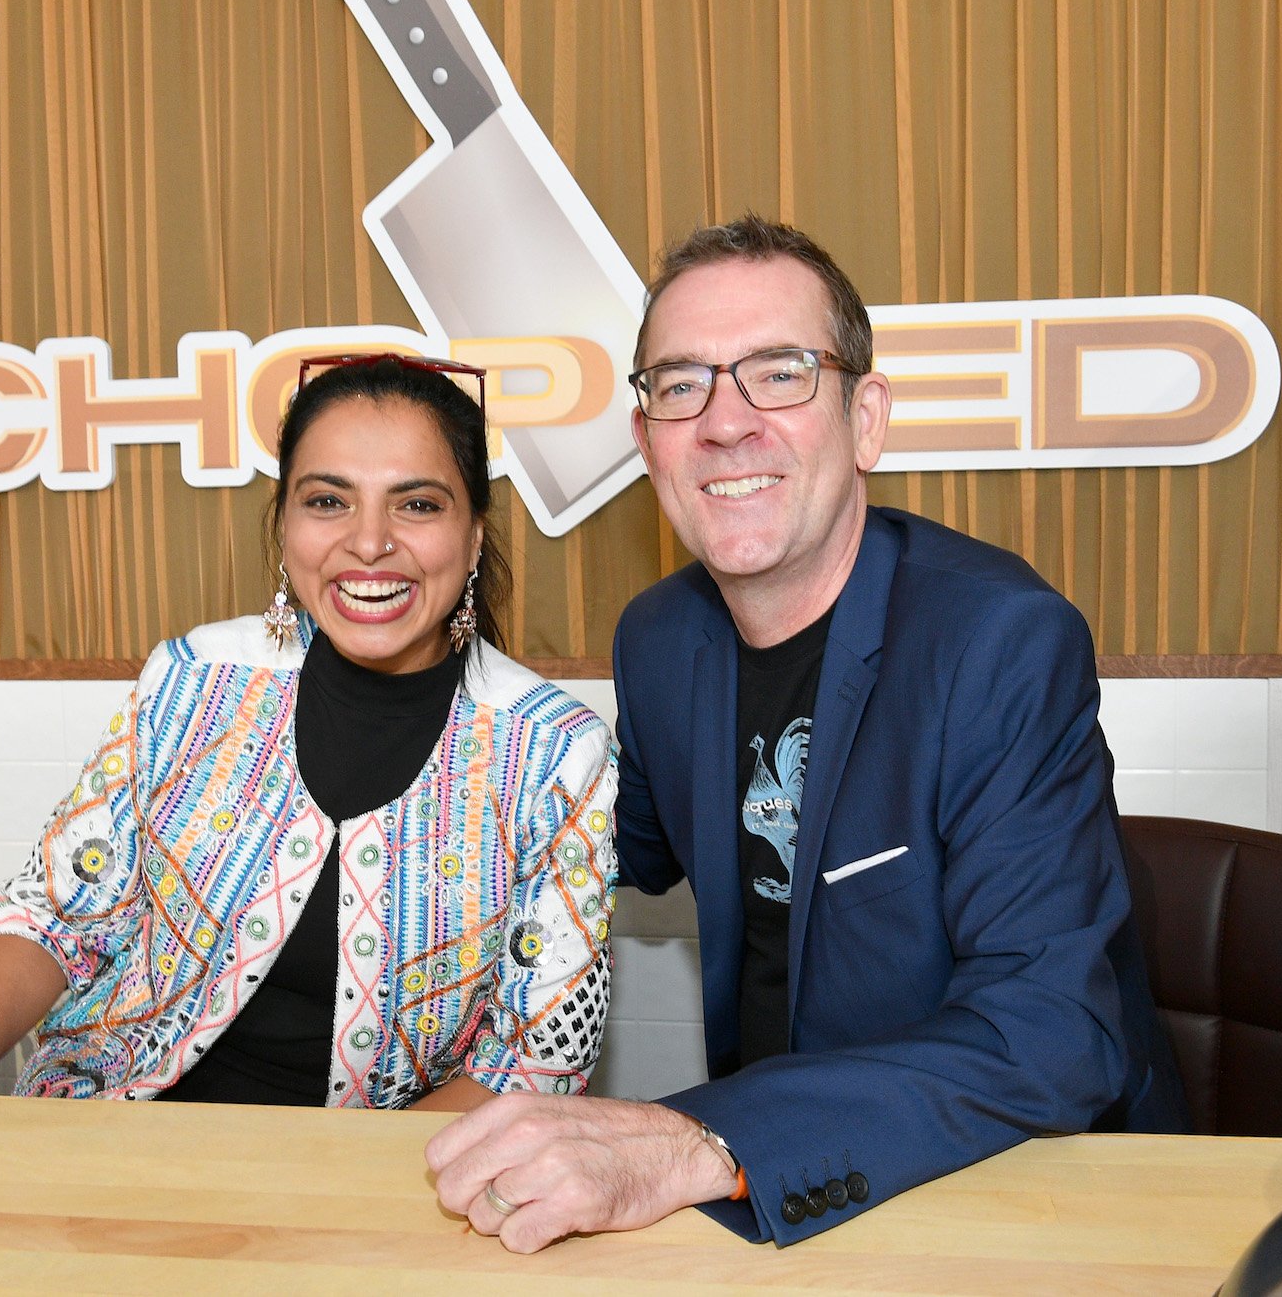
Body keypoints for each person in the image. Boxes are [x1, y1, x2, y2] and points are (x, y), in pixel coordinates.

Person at [427, 216, 1186, 1249]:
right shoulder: (658, 636)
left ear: (863, 417)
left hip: (1008, 1189)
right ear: (647, 437)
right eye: (680, 383)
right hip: (775, 1203)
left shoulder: (998, 641)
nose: (724, 422)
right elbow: (604, 849)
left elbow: (1051, 1034)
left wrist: (699, 1138)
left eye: (777, 373)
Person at [0, 354, 616, 1123]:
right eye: (328, 500)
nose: (369, 542)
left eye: (416, 504)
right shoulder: (191, 677)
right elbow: (56, 917)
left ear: (474, 537)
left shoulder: (555, 752)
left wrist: (345, 1193)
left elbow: (536, 1058)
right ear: (284, 527)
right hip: (112, 1139)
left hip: (386, 1182)